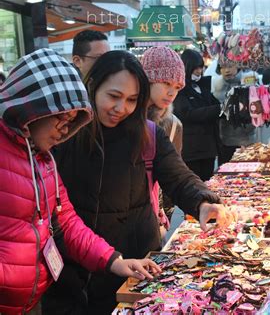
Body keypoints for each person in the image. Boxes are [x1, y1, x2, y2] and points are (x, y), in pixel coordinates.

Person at [41, 50, 234, 315]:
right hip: (74, 271)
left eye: (132, 100)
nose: (122, 108)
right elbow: (53, 209)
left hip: (137, 264)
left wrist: (202, 201)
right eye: (114, 96)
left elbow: (178, 177)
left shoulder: (149, 134)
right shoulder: (64, 136)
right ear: (93, 87)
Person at [0, 48, 158, 315]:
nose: (65, 129)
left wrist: (114, 260)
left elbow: (67, 223)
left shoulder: (42, 159)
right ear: (32, 111)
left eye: (72, 121)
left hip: (28, 301)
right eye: (60, 118)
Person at [141, 46, 185, 232]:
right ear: (147, 80)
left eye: (177, 87)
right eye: (166, 83)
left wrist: (164, 214)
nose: (171, 92)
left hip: (153, 222)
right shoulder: (125, 120)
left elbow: (172, 175)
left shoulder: (173, 125)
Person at [174, 49, 221, 181]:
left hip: (209, 146)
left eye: (201, 68)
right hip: (191, 147)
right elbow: (187, 114)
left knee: (208, 182)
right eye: (196, 69)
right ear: (187, 68)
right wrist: (218, 109)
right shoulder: (179, 89)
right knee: (194, 183)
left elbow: (216, 105)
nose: (199, 72)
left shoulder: (203, 85)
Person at [212, 58, 256, 165]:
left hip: (247, 139)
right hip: (224, 141)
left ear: (238, 66)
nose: (227, 70)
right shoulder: (215, 85)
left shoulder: (250, 81)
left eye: (230, 66)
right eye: (223, 67)